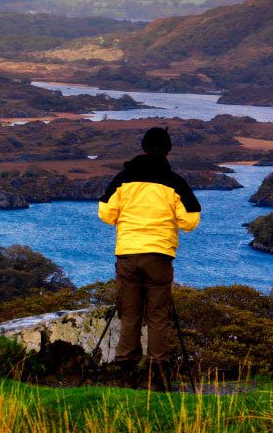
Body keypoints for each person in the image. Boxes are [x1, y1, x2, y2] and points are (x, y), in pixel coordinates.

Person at [96, 126, 201, 383]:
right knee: (158, 313)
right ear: (168, 150)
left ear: (143, 147)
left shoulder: (124, 178)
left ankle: (124, 363)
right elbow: (190, 221)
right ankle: (157, 367)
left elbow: (106, 214)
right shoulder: (175, 182)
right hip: (159, 255)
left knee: (130, 311)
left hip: (128, 252)